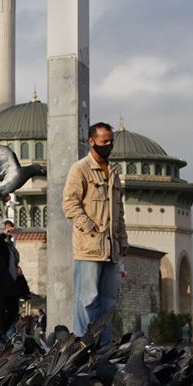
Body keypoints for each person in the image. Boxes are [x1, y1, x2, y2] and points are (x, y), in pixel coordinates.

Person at [62, 122, 130, 338]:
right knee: (88, 298)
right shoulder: (80, 169)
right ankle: (83, 343)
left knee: (108, 301)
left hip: (111, 248)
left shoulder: (113, 173)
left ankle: (104, 346)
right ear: (91, 141)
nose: (108, 145)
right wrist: (89, 227)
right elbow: (69, 204)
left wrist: (123, 239)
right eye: (104, 141)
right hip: (89, 247)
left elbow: (118, 212)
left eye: (111, 141)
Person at [0, 220, 31, 334]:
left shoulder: (11, 247)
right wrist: (3, 234)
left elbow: (12, 263)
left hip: (10, 284)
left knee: (13, 309)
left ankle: (3, 332)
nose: (10, 231)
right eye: (8, 229)